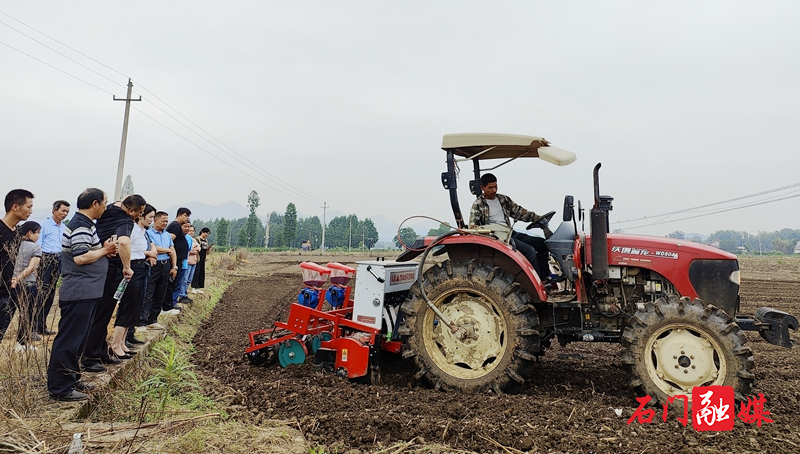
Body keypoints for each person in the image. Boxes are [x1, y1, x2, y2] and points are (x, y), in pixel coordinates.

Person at [47, 188, 117, 401]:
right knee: (69, 339)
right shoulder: (79, 226)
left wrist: (102, 249)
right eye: (104, 203)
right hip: (79, 292)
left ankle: (72, 377)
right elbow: (80, 257)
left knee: (79, 339)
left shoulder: (86, 225)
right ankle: (60, 388)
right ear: (95, 203)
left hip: (88, 292)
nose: (105, 207)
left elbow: (87, 252)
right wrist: (105, 251)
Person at [82, 194, 146, 369]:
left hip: (100, 266)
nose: (139, 216)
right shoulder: (125, 220)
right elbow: (124, 243)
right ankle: (90, 357)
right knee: (102, 314)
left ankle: (101, 352)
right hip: (110, 271)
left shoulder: (109, 210)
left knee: (101, 314)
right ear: (130, 210)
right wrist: (127, 267)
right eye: (139, 213)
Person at [469, 173, 559, 285]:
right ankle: (538, 282)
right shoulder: (478, 205)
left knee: (541, 243)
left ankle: (545, 276)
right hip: (498, 237)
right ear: (482, 188)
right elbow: (473, 227)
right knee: (529, 250)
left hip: (510, 233)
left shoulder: (503, 199)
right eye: (490, 188)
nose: (494, 190)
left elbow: (520, 213)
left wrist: (538, 218)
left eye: (495, 186)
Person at [0, 189, 34, 343]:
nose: (30, 211)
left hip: (6, 292)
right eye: (28, 207)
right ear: (15, 207)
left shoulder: (16, 234)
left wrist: (12, 278)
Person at [35, 200, 70, 337]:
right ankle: (33, 325)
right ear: (54, 210)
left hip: (59, 259)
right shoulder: (44, 226)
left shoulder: (64, 228)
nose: (65, 214)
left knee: (51, 293)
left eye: (67, 211)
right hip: (46, 258)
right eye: (63, 211)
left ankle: (42, 325)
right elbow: (38, 245)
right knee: (41, 292)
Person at [141, 211, 177, 330]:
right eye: (163, 221)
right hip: (153, 265)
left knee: (160, 292)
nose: (165, 223)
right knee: (148, 292)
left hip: (165, 265)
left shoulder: (167, 235)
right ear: (155, 220)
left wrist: (174, 266)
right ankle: (142, 321)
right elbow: (153, 248)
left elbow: (172, 250)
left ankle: (152, 319)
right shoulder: (148, 233)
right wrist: (167, 250)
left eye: (167, 221)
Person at [127, 204, 157, 345]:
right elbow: (131, 250)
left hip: (144, 268)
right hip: (135, 268)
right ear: (141, 216)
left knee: (139, 301)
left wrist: (150, 252)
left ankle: (131, 331)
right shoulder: (132, 230)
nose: (151, 220)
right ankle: (125, 335)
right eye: (150, 217)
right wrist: (149, 253)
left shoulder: (144, 232)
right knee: (130, 303)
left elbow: (148, 246)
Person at [11, 221, 42, 350]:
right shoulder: (35, 248)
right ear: (30, 233)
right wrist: (18, 279)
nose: (38, 236)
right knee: (27, 314)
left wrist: (14, 279)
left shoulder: (14, 244)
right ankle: (22, 342)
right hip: (28, 284)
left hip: (11, 283)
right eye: (37, 233)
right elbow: (31, 268)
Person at [165, 208, 191, 311]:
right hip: (175, 259)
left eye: (188, 216)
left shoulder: (176, 226)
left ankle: (171, 304)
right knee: (172, 284)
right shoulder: (175, 225)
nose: (187, 218)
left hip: (179, 259)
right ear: (179, 215)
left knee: (175, 284)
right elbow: (169, 241)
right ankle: (168, 306)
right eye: (186, 216)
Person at [191, 227, 211, 294]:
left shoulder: (206, 240)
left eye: (208, 233)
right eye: (206, 233)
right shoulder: (197, 239)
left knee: (201, 272)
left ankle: (198, 286)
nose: (206, 234)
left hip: (203, 258)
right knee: (196, 272)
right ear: (202, 232)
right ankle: (193, 287)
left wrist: (208, 249)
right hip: (197, 258)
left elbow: (207, 252)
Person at [185, 225, 200, 298]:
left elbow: (198, 247)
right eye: (190, 230)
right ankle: (182, 294)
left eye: (192, 231)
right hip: (187, 261)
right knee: (185, 279)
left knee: (189, 279)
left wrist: (194, 249)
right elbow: (188, 249)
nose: (191, 232)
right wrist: (193, 250)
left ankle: (185, 292)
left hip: (194, 261)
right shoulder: (185, 238)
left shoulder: (194, 239)